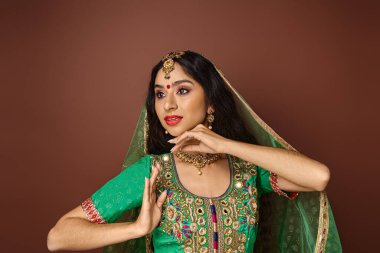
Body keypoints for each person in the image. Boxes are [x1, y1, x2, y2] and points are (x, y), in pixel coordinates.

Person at [47, 50, 342, 253]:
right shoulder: (153, 172)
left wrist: (224, 145)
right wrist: (136, 228)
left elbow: (318, 176)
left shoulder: (246, 170)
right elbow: (58, 237)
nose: (168, 104)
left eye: (182, 90)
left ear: (211, 102)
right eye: (160, 94)